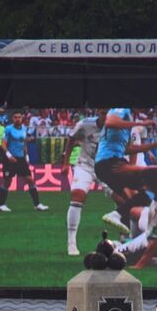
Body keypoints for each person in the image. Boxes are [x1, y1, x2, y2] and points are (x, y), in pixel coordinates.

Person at [62, 108, 105, 255]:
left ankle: (126, 240)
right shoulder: (84, 124)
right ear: (99, 112)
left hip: (106, 167)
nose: (106, 115)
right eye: (103, 112)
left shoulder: (117, 127)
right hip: (84, 166)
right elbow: (71, 139)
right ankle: (71, 243)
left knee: (122, 199)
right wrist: (66, 163)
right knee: (77, 197)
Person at [0, 111, 49, 213]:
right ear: (12, 119)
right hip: (10, 159)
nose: (17, 119)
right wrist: (9, 155)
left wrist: (26, 155)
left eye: (19, 117)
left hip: (20, 159)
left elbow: (23, 143)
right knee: (7, 181)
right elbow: (2, 144)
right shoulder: (8, 129)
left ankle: (37, 204)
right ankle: (1, 204)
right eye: (15, 117)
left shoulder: (24, 128)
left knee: (30, 180)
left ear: (21, 118)